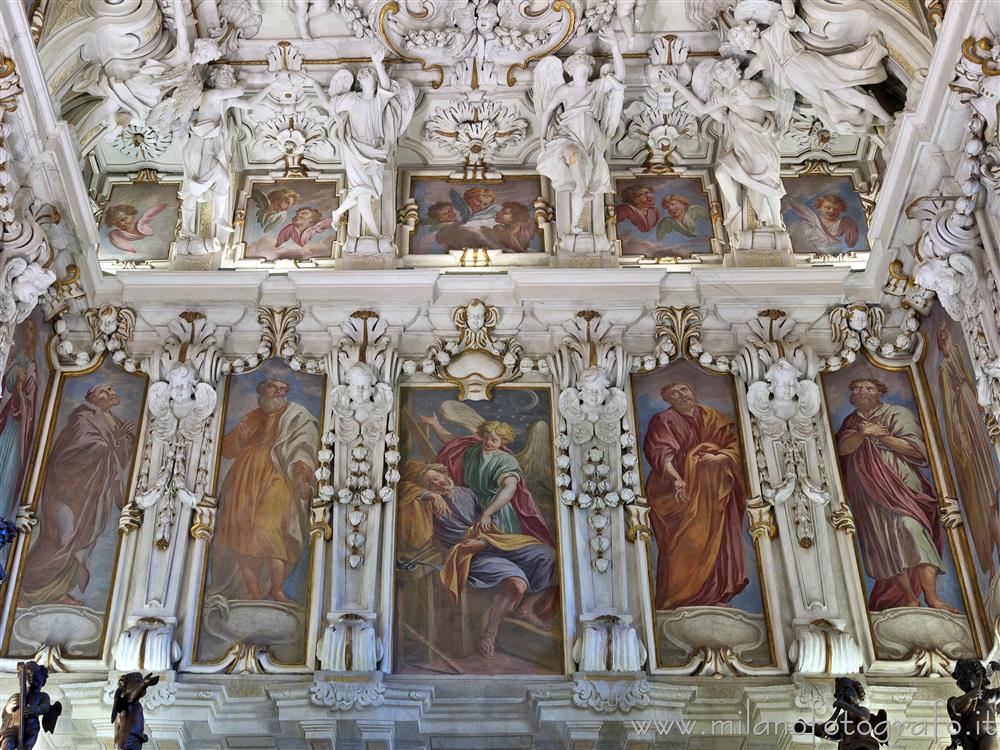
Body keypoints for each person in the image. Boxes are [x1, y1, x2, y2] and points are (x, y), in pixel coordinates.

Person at [402, 461, 557, 657]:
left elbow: (489, 517)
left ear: (443, 472)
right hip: (469, 554)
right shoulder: (426, 505)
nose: (438, 483)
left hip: (490, 541)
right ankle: (490, 633)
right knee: (518, 585)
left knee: (547, 555)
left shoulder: (466, 492)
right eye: (432, 484)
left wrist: (488, 520)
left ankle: (525, 609)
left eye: (437, 477)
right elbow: (401, 490)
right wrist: (428, 495)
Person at [835, 378, 956, 612]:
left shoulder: (896, 413)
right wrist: (862, 433)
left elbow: (917, 451)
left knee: (913, 530)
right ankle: (909, 597)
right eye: (856, 388)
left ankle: (932, 597)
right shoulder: (850, 422)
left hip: (901, 487)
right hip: (867, 496)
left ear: (880, 392)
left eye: (868, 387)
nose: (861, 391)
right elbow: (842, 449)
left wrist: (882, 436)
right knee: (885, 546)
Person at [19, 384, 136, 606]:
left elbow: (120, 459)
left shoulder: (116, 423)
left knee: (80, 541)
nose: (110, 393)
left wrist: (119, 442)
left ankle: (58, 592)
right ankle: (24, 591)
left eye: (111, 390)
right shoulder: (84, 419)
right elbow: (70, 453)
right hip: (67, 490)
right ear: (92, 397)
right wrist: (114, 441)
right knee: (62, 537)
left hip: (93, 493)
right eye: (103, 391)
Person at [642, 381, 748, 609]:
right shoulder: (664, 421)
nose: (681, 395)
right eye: (674, 393)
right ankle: (678, 597)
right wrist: (677, 479)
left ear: (693, 391)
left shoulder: (713, 417)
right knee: (684, 542)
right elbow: (661, 454)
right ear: (668, 399)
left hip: (714, 492)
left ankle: (713, 595)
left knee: (716, 542)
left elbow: (736, 446)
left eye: (684, 389)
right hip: (678, 492)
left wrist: (721, 458)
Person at [214, 378, 319, 602]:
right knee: (241, 533)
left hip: (278, 474)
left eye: (282, 388)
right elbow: (226, 449)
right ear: (262, 392)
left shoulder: (297, 415)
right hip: (244, 478)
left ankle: (276, 589)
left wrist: (302, 477)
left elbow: (305, 445)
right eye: (272, 387)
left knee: (271, 530)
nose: (278, 392)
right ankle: (253, 591)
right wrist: (241, 440)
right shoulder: (254, 416)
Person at [419, 415, 554, 546]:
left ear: (502, 441)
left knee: (500, 548)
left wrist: (487, 513)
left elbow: (509, 488)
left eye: (494, 440)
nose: (489, 442)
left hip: (497, 509)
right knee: (472, 547)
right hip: (471, 507)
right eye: (486, 438)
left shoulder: (506, 461)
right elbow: (452, 441)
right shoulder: (473, 451)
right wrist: (435, 424)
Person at [327, 48, 415, 237]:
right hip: (355, 149)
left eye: (370, 74)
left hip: (376, 149)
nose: (367, 75)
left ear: (374, 81)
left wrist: (378, 64)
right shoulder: (350, 99)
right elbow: (331, 105)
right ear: (359, 81)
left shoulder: (378, 101)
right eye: (364, 74)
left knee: (372, 188)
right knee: (364, 191)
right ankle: (375, 234)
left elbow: (387, 86)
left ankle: (338, 212)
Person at [937, 322, 1000, 575]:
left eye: (944, 335)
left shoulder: (957, 356)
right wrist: (961, 435)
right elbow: (951, 410)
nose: (944, 339)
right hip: (969, 427)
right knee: (989, 499)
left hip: (977, 423)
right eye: (941, 337)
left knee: (993, 494)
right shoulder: (943, 369)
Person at [0, 319, 38, 519]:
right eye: (27, 331)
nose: (29, 336)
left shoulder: (29, 366)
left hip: (14, 427)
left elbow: (28, 402)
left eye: (32, 332)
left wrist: (22, 392)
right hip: (6, 421)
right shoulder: (14, 362)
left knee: (8, 471)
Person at [788, 194, 860, 254]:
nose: (831, 211)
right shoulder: (812, 221)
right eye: (827, 207)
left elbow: (850, 242)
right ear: (819, 208)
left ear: (840, 211)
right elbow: (802, 209)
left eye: (835, 209)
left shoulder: (842, 223)